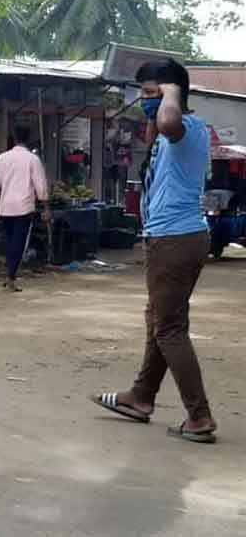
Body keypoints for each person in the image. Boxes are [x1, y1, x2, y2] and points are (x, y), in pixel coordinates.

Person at [91, 59, 217, 444]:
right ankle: (141, 396)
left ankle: (199, 417)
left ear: (171, 94)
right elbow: (154, 132)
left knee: (170, 329)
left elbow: (165, 122)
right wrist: (160, 96)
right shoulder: (169, 137)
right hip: (172, 238)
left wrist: (172, 91)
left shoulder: (184, 130)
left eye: (151, 94)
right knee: (158, 321)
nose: (144, 102)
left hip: (175, 241)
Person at [0, 126, 49, 292]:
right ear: (28, 140)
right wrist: (45, 208)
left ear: (13, 139)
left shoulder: (3, 158)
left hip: (5, 206)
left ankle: (10, 273)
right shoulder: (32, 159)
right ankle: (11, 277)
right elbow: (40, 185)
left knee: (10, 241)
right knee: (18, 243)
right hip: (24, 207)